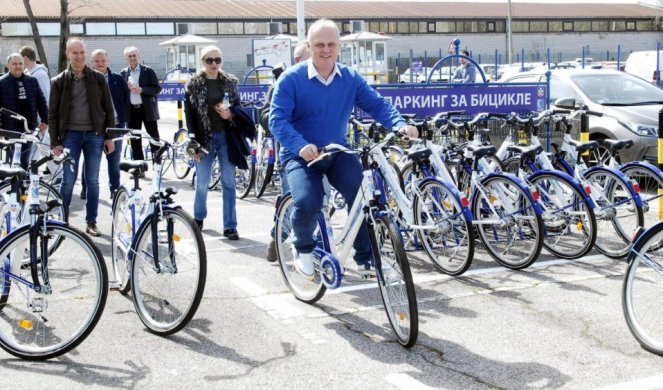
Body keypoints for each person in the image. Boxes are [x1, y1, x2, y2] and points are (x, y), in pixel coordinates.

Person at [269, 19, 418, 278]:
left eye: (331, 44)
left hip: (338, 151)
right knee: (307, 201)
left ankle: (365, 257)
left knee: (363, 198)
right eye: (319, 44)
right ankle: (303, 247)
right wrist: (300, 145)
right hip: (301, 155)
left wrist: (399, 124)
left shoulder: (349, 78)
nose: (325, 50)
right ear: (308, 46)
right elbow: (277, 120)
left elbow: (378, 105)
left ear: (339, 47)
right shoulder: (290, 80)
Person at [48, 38, 115, 237]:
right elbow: (52, 114)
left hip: (95, 135)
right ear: (67, 54)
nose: (79, 56)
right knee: (68, 180)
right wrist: (55, 142)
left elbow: (108, 109)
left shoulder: (98, 78)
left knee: (93, 181)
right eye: (74, 53)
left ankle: (91, 222)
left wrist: (109, 136)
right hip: (70, 136)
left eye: (82, 52)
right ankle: (62, 220)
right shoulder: (59, 81)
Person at [184, 45, 243, 240]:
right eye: (209, 60)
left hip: (226, 137)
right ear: (202, 62)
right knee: (202, 182)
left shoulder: (230, 83)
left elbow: (239, 109)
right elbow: (190, 115)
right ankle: (198, 217)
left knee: (229, 182)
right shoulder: (193, 84)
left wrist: (230, 114)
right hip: (203, 139)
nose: (214, 64)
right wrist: (192, 144)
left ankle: (230, 226)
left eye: (217, 60)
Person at [263, 41, 310, 262]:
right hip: (292, 155)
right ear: (298, 60)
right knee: (296, 201)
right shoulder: (283, 83)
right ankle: (279, 235)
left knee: (319, 204)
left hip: (321, 154)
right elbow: (266, 116)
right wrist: (286, 121)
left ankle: (313, 246)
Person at [80, 49, 130, 200]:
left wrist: (123, 122)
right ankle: (85, 189)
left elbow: (125, 101)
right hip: (93, 127)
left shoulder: (117, 79)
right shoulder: (85, 79)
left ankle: (114, 190)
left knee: (114, 160)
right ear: (91, 62)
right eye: (97, 61)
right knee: (90, 160)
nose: (100, 64)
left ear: (108, 61)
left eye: (103, 61)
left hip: (116, 126)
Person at [20, 46, 61, 183]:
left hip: (40, 121)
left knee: (38, 148)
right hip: (35, 120)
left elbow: (45, 98)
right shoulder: (30, 73)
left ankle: (32, 174)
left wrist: (44, 120)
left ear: (25, 57)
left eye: (21, 59)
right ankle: (59, 174)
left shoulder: (39, 74)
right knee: (44, 148)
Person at [0, 53, 48, 170]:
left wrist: (45, 120)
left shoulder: (32, 81)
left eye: (20, 63)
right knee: (14, 160)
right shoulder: (2, 82)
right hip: (10, 129)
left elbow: (41, 102)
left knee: (25, 159)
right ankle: (14, 185)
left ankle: (22, 187)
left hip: (28, 127)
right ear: (8, 65)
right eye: (14, 64)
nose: (18, 66)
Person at [120, 47, 161, 167]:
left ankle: (157, 166)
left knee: (154, 138)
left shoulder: (148, 71)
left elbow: (157, 88)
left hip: (147, 109)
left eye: (134, 55)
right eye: (129, 56)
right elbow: (120, 93)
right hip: (131, 111)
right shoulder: (123, 73)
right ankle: (139, 167)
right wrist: (125, 89)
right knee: (135, 139)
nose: (132, 58)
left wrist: (142, 90)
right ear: (126, 58)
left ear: (139, 56)